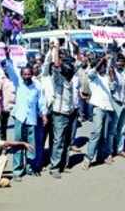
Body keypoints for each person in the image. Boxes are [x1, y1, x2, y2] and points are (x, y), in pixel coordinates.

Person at [3, 48, 46, 181]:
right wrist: (7, 54)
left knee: (31, 145)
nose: (27, 76)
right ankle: (17, 170)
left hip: (32, 119)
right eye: (25, 74)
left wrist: (43, 115)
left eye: (29, 74)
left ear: (32, 74)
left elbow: (41, 101)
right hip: (20, 118)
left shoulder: (37, 85)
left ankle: (30, 168)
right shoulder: (18, 83)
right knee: (18, 144)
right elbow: (10, 69)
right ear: (22, 75)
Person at [46, 43, 76, 179]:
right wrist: (56, 48)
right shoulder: (58, 79)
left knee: (67, 140)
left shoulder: (70, 81)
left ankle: (63, 164)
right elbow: (55, 64)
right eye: (68, 70)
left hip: (69, 113)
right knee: (58, 141)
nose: (70, 72)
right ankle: (54, 167)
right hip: (59, 114)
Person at [82, 55, 116, 170]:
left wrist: (112, 75)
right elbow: (92, 72)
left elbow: (112, 88)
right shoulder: (93, 77)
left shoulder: (106, 77)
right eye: (101, 66)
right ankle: (88, 158)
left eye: (104, 66)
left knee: (105, 135)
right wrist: (102, 60)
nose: (103, 68)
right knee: (96, 133)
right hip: (98, 107)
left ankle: (103, 155)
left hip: (108, 108)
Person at [0, 60, 16, 141]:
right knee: (3, 127)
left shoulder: (15, 76)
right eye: (4, 66)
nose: (6, 68)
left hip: (15, 106)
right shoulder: (0, 77)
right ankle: (3, 146)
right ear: (2, 68)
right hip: (4, 106)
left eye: (8, 66)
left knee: (18, 126)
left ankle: (18, 144)